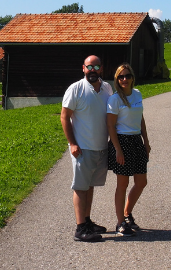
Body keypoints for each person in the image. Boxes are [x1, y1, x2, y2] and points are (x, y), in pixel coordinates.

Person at [61, 54, 113, 242]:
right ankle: (80, 228)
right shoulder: (75, 89)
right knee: (81, 188)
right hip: (82, 148)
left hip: (101, 148)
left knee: (90, 186)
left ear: (101, 69)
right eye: (89, 67)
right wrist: (73, 143)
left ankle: (87, 221)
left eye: (96, 67)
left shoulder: (107, 88)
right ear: (83, 68)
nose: (93, 71)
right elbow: (64, 117)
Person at [106, 63, 151, 237]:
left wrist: (146, 141)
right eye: (121, 77)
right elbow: (110, 125)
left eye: (127, 76)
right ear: (117, 80)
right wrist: (117, 149)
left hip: (137, 140)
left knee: (141, 182)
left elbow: (141, 119)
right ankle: (120, 224)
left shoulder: (137, 94)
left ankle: (127, 213)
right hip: (122, 141)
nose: (124, 79)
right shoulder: (115, 99)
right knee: (122, 185)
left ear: (132, 77)